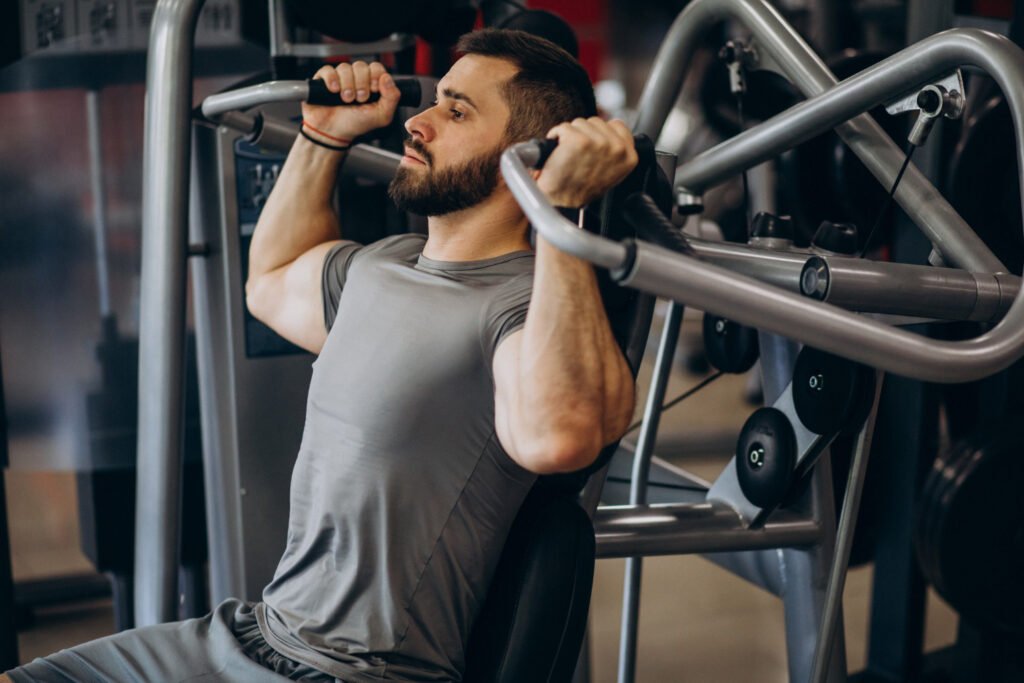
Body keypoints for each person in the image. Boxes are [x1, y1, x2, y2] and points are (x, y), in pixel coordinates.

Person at [4, 28, 636, 683]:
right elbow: (269, 280)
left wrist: (560, 212)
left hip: (354, 671)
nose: (416, 123)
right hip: (249, 630)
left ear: (532, 159)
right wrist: (323, 137)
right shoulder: (381, 261)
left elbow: (560, 434)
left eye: (456, 112)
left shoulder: (522, 307)